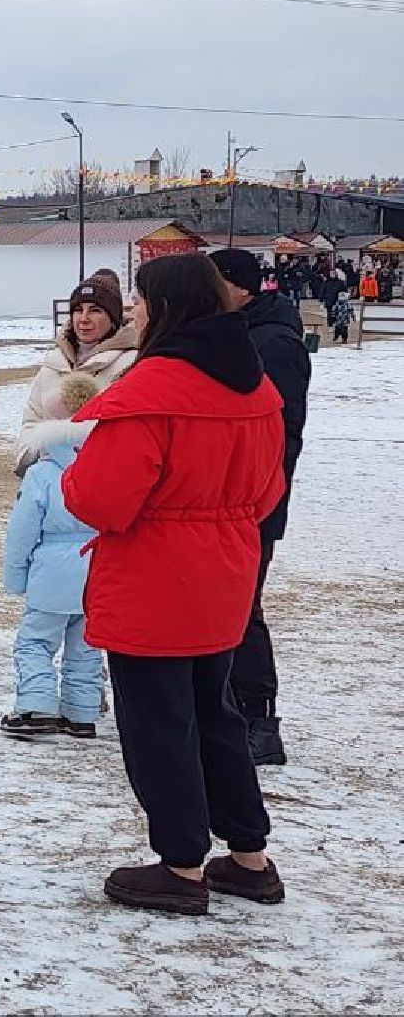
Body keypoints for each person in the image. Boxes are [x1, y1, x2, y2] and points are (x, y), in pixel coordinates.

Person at [63, 253, 287, 916]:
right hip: (224, 571)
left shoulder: (151, 390)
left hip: (154, 577)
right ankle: (249, 857)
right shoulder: (253, 385)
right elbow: (269, 487)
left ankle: (181, 865)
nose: (132, 309)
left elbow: (100, 498)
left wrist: (73, 471)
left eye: (138, 299)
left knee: (158, 724)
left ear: (163, 308)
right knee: (215, 713)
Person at [210, 248, 311, 766]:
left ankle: (261, 719)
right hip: (226, 501)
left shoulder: (273, 342)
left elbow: (280, 434)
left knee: (242, 610)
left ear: (239, 287)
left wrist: (258, 494)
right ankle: (227, 711)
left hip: (254, 504)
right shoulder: (236, 332)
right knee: (221, 609)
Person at [0, 372, 104, 737]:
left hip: (52, 571)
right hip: (98, 567)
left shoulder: (42, 473)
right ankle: (82, 712)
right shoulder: (106, 466)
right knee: (87, 644)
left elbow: (23, 529)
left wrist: (15, 574)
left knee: (36, 641)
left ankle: (36, 705)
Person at [15, 277, 140, 475]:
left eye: (95, 310)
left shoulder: (130, 365)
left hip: (102, 477)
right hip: (48, 475)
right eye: (78, 310)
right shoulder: (54, 362)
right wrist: (32, 459)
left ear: (113, 318)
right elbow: (32, 418)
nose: (84, 318)